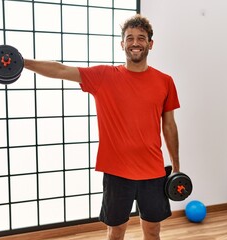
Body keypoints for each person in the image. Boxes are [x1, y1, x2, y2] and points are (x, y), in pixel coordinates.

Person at [24, 14, 180, 240]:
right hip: (117, 172)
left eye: (141, 38)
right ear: (122, 44)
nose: (135, 43)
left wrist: (176, 166)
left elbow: (169, 126)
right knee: (115, 233)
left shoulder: (165, 81)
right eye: (130, 38)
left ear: (150, 44)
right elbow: (60, 70)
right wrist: (23, 62)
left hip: (153, 173)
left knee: (153, 231)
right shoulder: (104, 76)